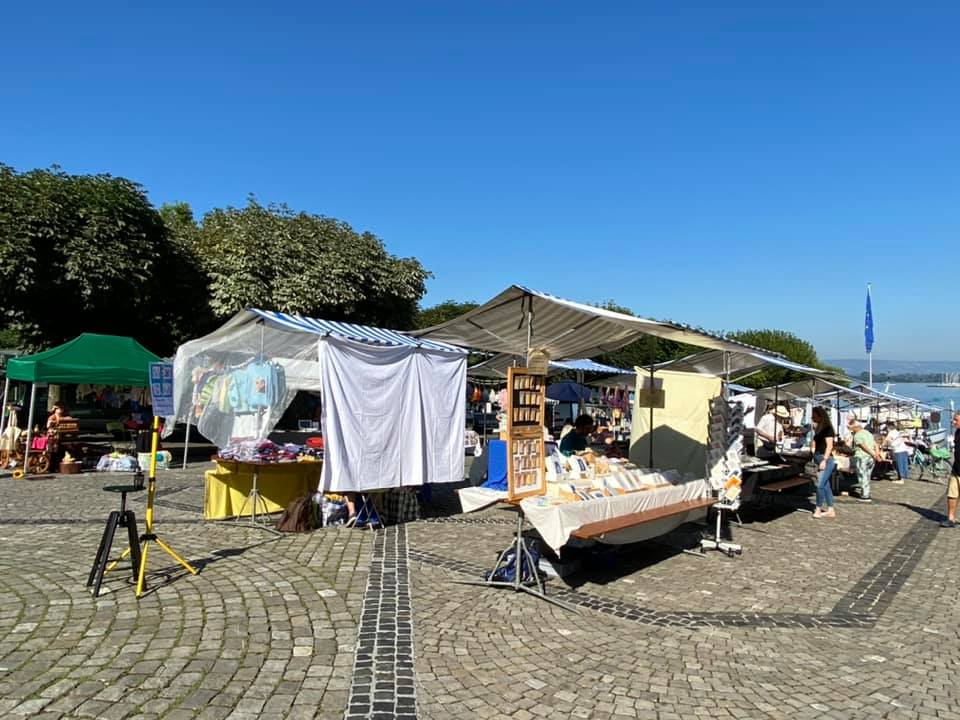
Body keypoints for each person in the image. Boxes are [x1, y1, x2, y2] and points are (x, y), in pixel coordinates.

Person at [810, 406, 837, 519]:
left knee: (820, 484)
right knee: (825, 485)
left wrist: (824, 460)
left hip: (825, 459)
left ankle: (818, 508)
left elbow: (829, 446)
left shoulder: (828, 429)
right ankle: (831, 509)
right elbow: (815, 443)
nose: (812, 417)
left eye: (814, 414)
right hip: (818, 456)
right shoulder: (818, 428)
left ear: (820, 416)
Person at [848, 417, 882, 503]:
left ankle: (865, 496)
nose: (850, 430)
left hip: (862, 457)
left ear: (855, 427)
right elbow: (876, 444)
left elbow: (863, 446)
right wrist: (876, 454)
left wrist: (873, 453)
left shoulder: (857, 435)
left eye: (850, 428)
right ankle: (866, 492)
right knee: (867, 475)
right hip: (871, 458)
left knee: (862, 476)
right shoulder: (868, 433)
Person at [941, 412, 960, 528]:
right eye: (954, 420)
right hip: (957, 469)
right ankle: (951, 518)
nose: (953, 422)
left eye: (956, 420)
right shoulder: (957, 432)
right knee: (952, 494)